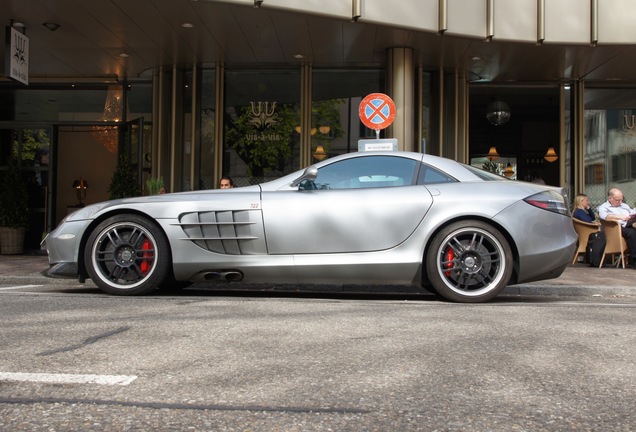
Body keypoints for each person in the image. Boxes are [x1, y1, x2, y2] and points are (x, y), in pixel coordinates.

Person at [597, 187, 636, 267]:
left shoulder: (624, 205)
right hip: (616, 228)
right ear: (610, 198)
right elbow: (604, 216)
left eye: (621, 199)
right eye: (617, 200)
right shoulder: (604, 207)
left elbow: (631, 212)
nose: (620, 202)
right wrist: (620, 217)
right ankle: (635, 259)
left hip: (629, 224)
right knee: (632, 233)